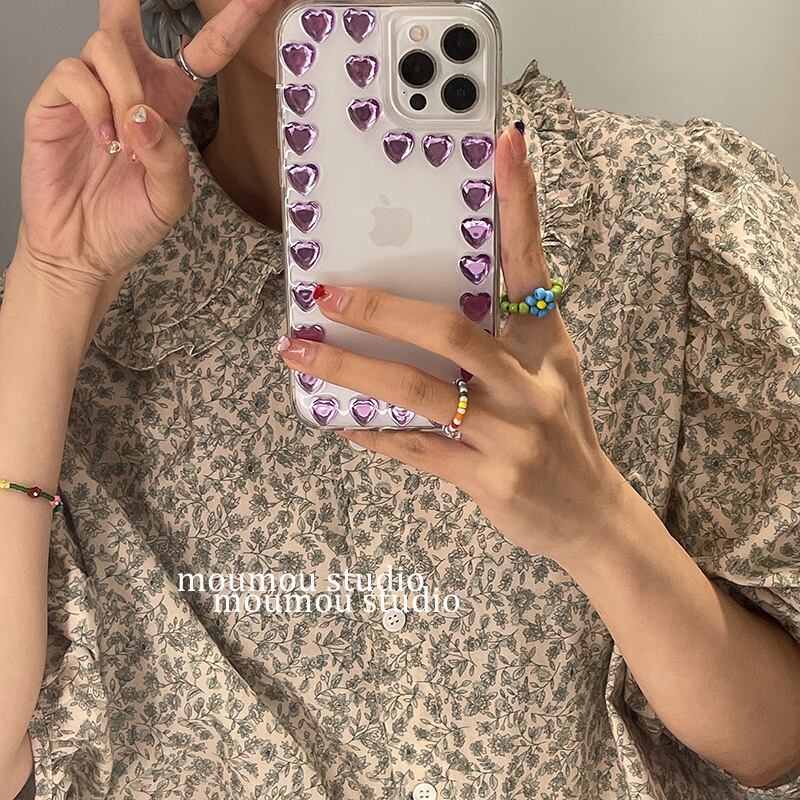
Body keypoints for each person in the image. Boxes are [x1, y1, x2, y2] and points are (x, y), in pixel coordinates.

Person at [1, 1, 799, 798]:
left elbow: (779, 746)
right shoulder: (69, 314)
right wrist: (56, 282)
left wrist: (599, 526)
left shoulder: (668, 218)